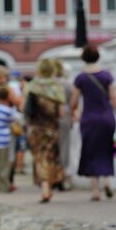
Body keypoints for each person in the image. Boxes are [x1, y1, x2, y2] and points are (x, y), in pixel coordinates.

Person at [70, 45, 116, 201]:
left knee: (90, 151)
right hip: (107, 118)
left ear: (83, 59)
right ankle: (107, 181)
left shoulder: (80, 78)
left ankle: (96, 190)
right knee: (106, 149)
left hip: (89, 119)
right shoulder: (107, 76)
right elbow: (114, 99)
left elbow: (74, 101)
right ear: (98, 57)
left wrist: (72, 112)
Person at [25, 59, 66, 203]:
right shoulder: (57, 87)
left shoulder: (32, 86)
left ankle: (45, 188)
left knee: (39, 157)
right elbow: (61, 113)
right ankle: (49, 185)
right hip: (52, 128)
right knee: (51, 156)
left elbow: (26, 111)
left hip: (36, 128)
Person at [53, 59, 75, 191]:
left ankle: (53, 176)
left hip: (49, 121)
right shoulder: (67, 85)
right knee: (64, 148)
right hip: (64, 119)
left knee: (52, 148)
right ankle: (62, 175)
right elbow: (73, 104)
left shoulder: (49, 85)